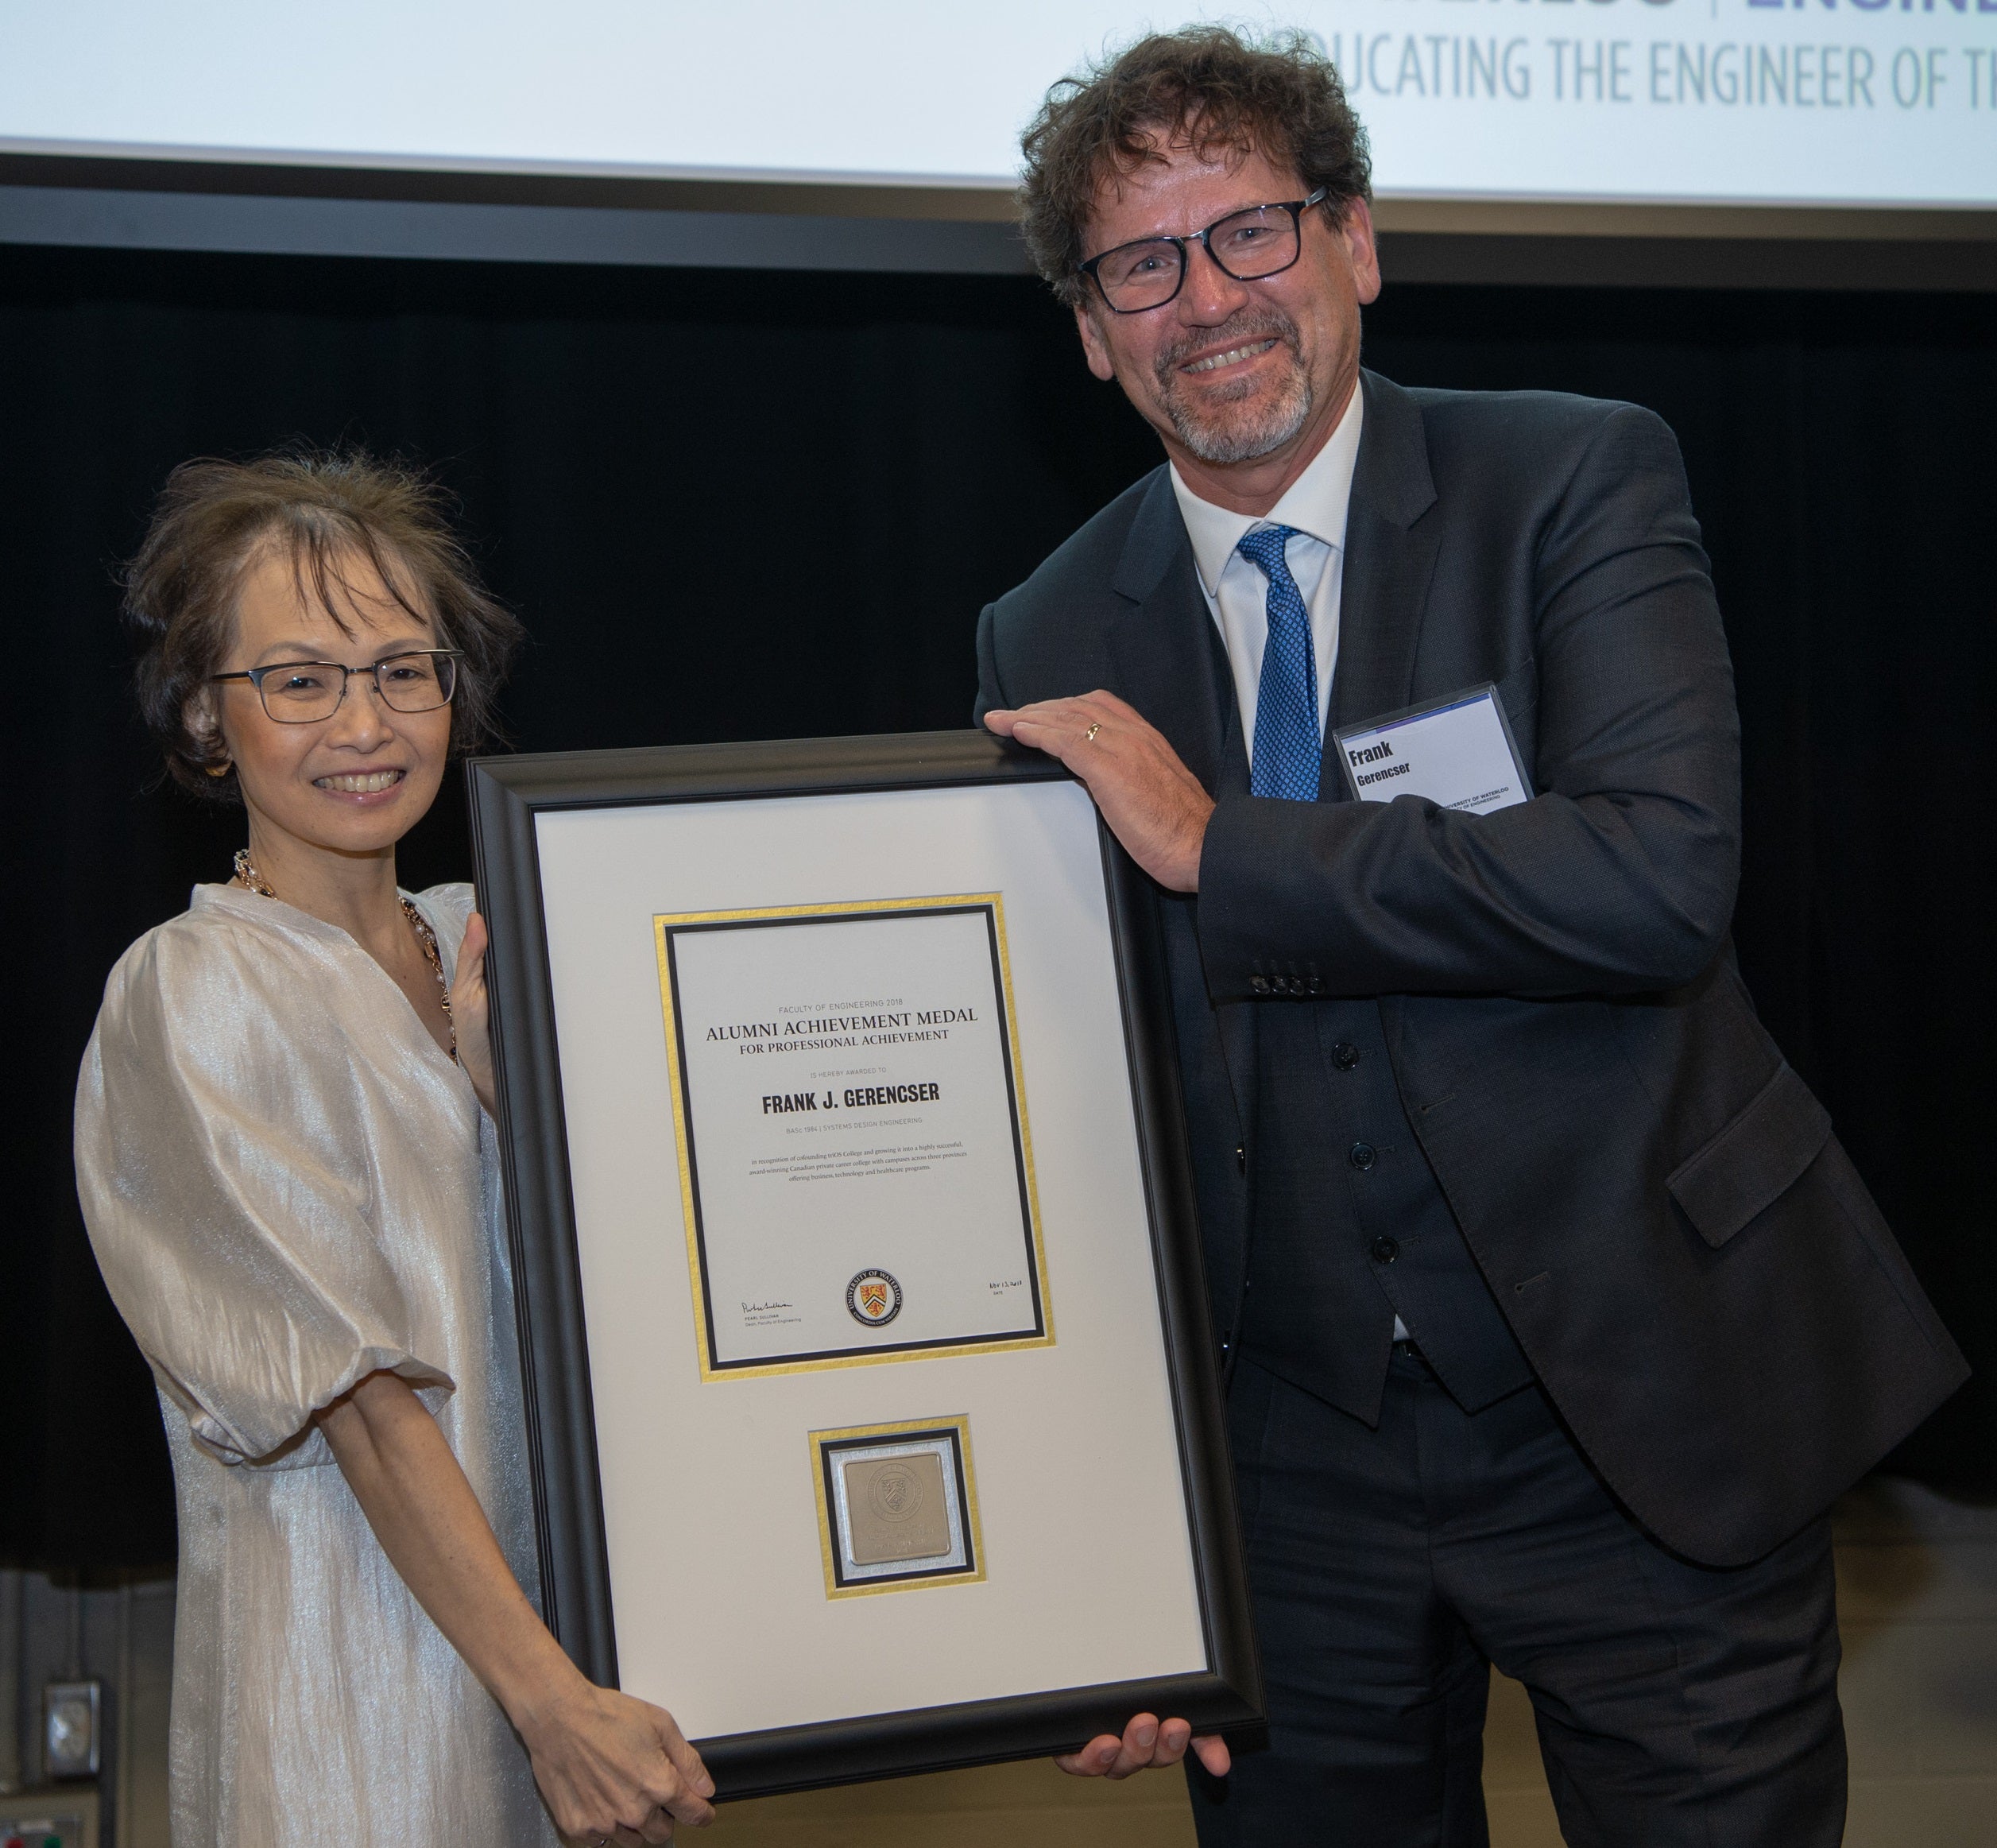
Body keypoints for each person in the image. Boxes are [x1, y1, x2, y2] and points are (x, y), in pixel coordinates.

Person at [977, 28, 1968, 1846]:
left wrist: (1227, 847)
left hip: (1645, 1403)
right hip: (1290, 1469)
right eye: (1145, 261)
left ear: (1357, 242)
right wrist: (1112, 1545)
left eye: (1255, 231)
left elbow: (1655, 878)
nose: (1210, 299)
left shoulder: (1575, 480)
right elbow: (1074, 1105)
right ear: (1092, 327)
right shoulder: (1045, 631)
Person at [75, 451, 715, 1848]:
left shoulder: (498, 936)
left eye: (402, 670)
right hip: (359, 1712)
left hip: (579, 1685)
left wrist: (511, 1106)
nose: (363, 722)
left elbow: (671, 1304)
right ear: (204, 712)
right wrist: (548, 1703)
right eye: (299, 678)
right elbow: (361, 1396)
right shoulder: (194, 989)